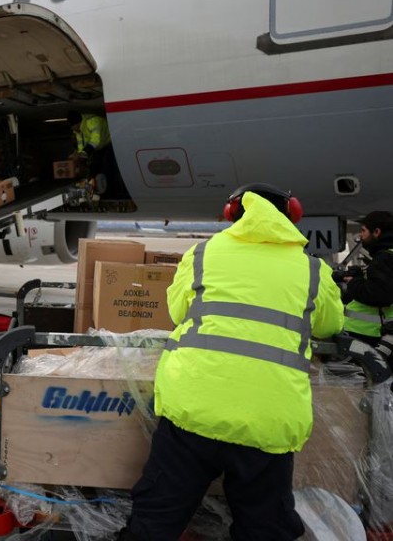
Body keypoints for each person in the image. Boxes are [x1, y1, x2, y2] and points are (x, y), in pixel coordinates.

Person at [119, 183, 344, 541]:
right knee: (264, 527)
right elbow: (332, 324)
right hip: (267, 420)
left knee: (155, 519)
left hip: (193, 409)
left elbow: (178, 311)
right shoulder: (312, 270)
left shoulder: (204, 254)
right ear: (291, 217)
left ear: (231, 213)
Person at [341, 210, 393, 347]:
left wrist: (353, 282)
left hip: (369, 334)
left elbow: (379, 294)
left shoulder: (384, 259)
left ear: (376, 232)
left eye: (363, 231)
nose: (360, 235)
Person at [66, 110, 121, 199]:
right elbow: (81, 143)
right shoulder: (78, 130)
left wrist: (83, 153)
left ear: (78, 123)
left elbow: (96, 140)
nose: (72, 129)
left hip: (109, 142)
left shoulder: (93, 121)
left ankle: (112, 192)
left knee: (108, 166)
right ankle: (97, 190)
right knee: (94, 168)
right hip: (97, 147)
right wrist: (79, 155)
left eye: (72, 126)